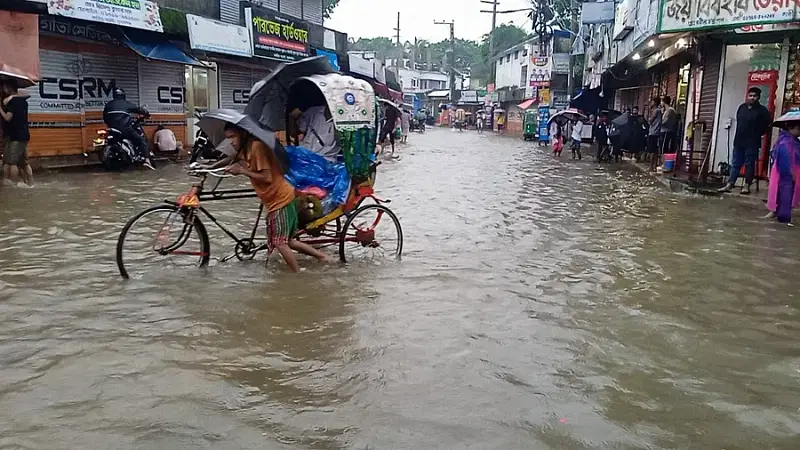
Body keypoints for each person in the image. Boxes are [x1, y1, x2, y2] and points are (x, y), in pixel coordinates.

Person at [221, 123, 330, 272]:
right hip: (275, 200)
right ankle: (322, 257)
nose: (231, 142)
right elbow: (232, 158)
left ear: (243, 134)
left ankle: (298, 275)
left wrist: (242, 171)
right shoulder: (245, 150)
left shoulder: (256, 147)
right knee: (288, 241)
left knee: (280, 242)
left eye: (233, 137)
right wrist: (210, 166)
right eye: (228, 138)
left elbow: (267, 177)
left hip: (280, 199)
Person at [718, 87, 772, 194]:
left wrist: (758, 133)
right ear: (747, 96)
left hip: (752, 142)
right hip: (739, 141)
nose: (752, 98)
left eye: (754, 96)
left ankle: (746, 186)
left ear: (758, 97)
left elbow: (767, 126)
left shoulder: (763, 111)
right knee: (735, 163)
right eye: (750, 95)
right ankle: (730, 184)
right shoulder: (742, 108)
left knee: (749, 164)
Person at [103, 87, 153, 169]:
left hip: (112, 129)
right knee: (141, 140)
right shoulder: (126, 104)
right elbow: (139, 109)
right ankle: (147, 160)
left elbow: (105, 118)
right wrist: (146, 113)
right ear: (123, 95)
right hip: (125, 129)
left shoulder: (108, 105)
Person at [764, 116, 800, 225]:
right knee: (785, 192)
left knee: (786, 193)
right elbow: (784, 159)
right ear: (790, 128)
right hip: (785, 172)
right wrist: (790, 172)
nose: (799, 132)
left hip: (789, 171)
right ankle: (781, 216)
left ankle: (778, 213)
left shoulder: (793, 141)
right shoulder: (785, 142)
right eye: (798, 129)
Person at [0, 80, 34, 187]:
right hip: (22, 135)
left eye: (5, 87)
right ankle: (31, 184)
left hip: (16, 136)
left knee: (11, 162)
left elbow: (7, 118)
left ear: (9, 88)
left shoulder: (13, 102)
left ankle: (15, 185)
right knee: (24, 162)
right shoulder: (23, 101)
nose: (3, 89)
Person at [647, 97, 663, 171]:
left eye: (652, 102)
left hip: (653, 132)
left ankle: (651, 167)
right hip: (656, 132)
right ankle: (654, 166)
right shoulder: (659, 111)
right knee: (655, 150)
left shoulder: (656, 111)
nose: (651, 103)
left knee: (652, 150)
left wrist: (649, 111)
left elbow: (650, 120)